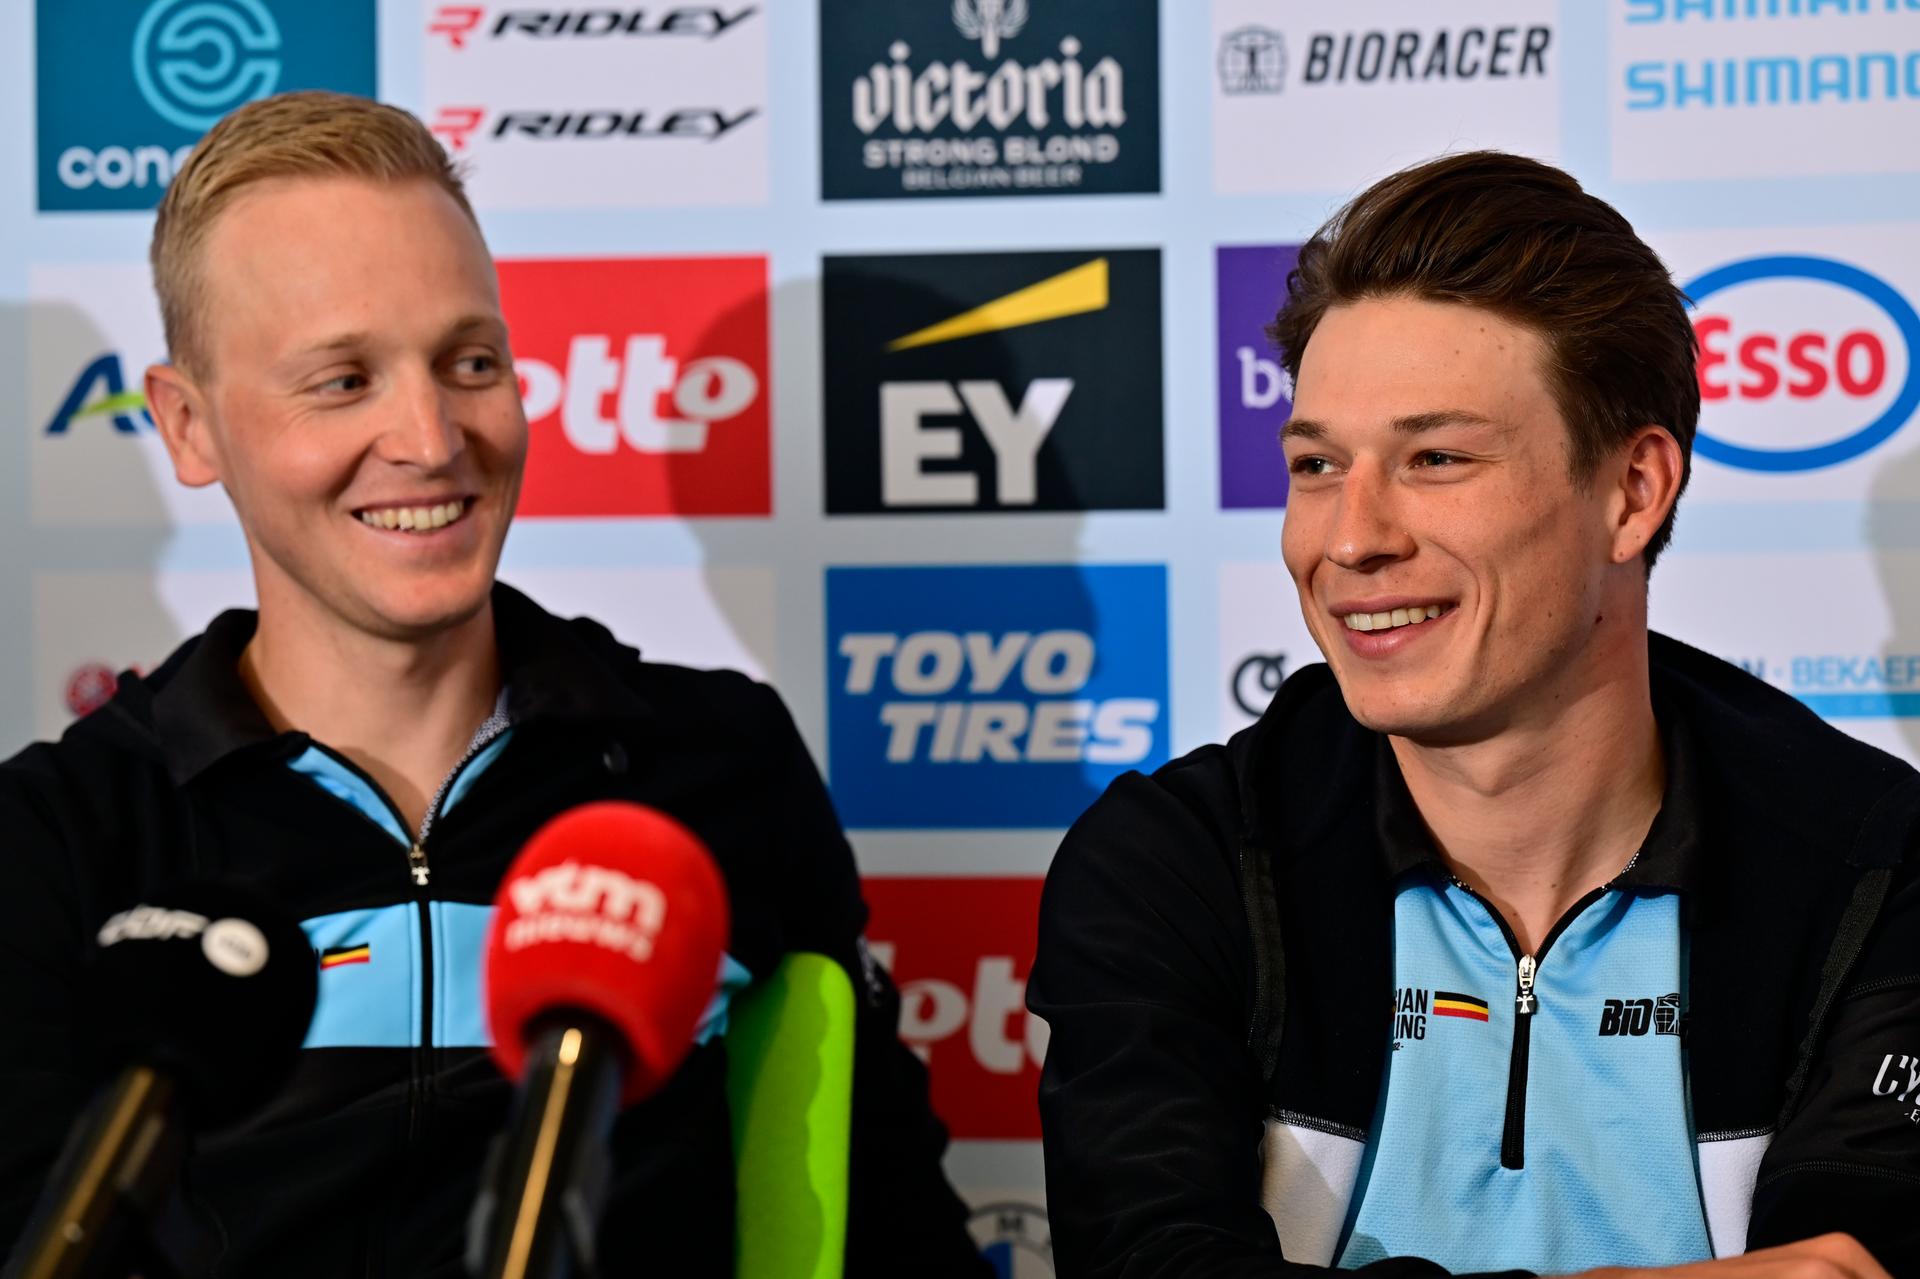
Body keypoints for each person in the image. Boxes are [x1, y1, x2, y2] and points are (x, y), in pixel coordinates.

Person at [0, 90, 990, 1278]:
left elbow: (889, 1227)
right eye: (343, 379)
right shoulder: (61, 835)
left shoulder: (720, 759)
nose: (429, 436)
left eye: (469, 360)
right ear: (188, 424)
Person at [1028, 151, 1917, 1278]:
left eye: (1435, 457)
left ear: (1633, 492)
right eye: (1316, 464)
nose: (1349, 538)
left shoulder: (1878, 866)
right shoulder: (1174, 862)